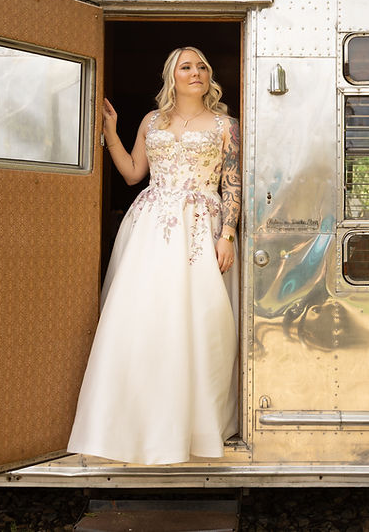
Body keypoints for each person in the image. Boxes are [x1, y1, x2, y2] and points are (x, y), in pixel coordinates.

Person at [67, 46, 240, 464]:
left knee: (201, 320)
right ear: (172, 76)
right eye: (187, 67)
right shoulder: (151, 121)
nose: (196, 72)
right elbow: (131, 173)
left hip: (202, 227)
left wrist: (228, 233)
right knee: (144, 318)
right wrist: (111, 130)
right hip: (150, 228)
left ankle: (197, 425)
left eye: (202, 66)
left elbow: (232, 183)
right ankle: (135, 424)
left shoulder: (226, 125)